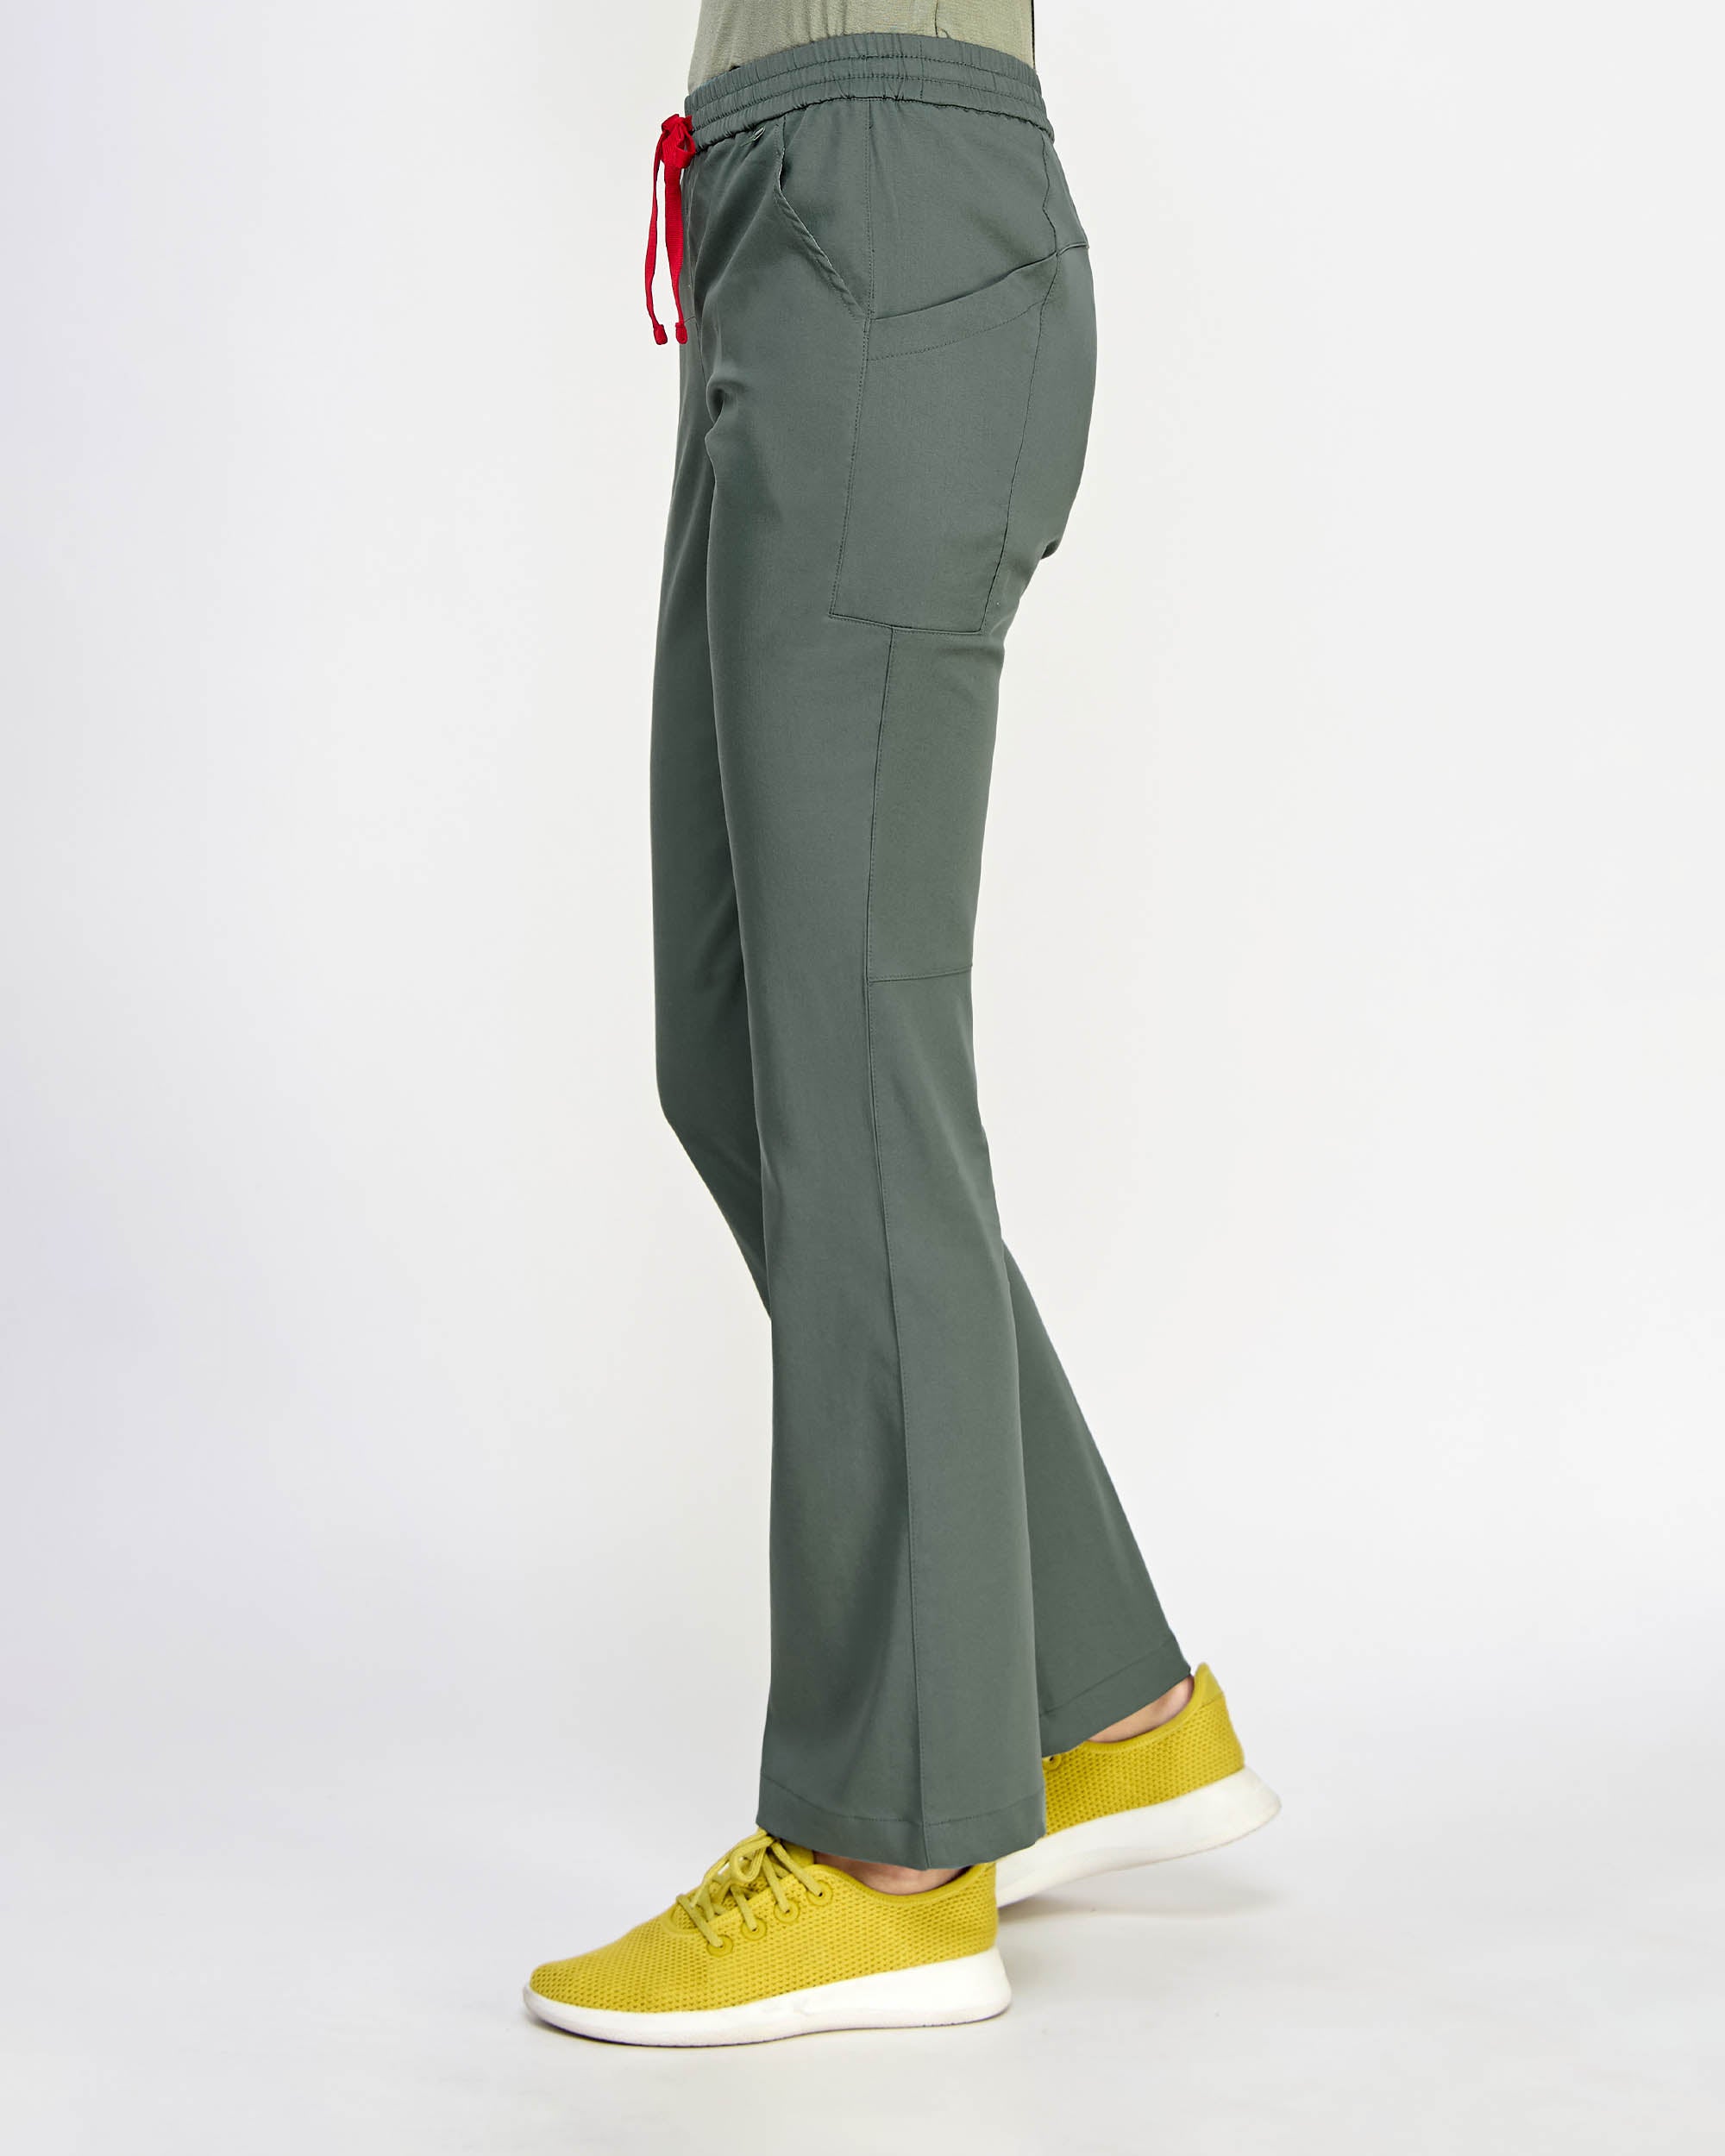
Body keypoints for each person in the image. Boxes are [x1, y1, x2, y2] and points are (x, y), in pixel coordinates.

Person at [525, 3, 1277, 2046]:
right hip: (783, 202)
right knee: (736, 1037)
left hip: (887, 195)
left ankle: (890, 1857)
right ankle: (1099, 1699)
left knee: (852, 1046)